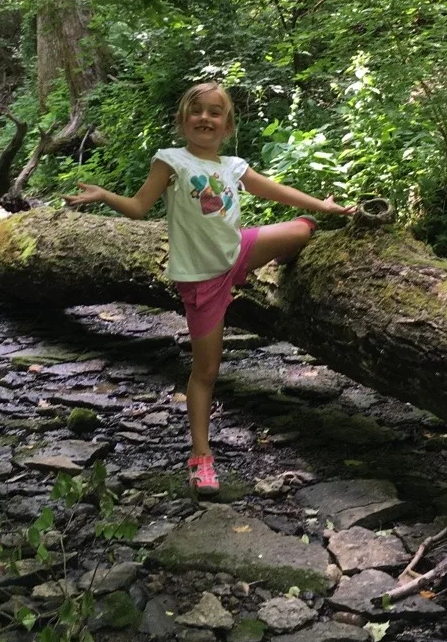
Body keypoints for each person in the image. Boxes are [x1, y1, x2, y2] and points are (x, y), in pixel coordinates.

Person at [64, 82, 354, 494]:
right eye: (197, 111)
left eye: (215, 112)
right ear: (183, 121)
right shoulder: (171, 161)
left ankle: (277, 264)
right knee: (207, 372)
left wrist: (322, 206)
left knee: (302, 229)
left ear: (227, 125)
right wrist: (104, 195)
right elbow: (139, 207)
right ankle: (201, 457)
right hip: (202, 280)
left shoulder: (233, 166)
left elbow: (277, 190)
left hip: (238, 254)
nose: (205, 118)